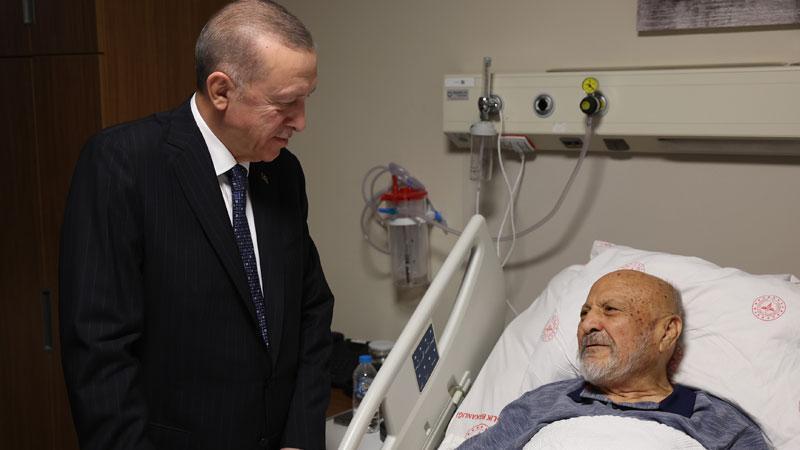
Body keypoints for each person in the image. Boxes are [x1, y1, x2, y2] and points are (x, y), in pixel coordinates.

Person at [58, 2, 333, 449]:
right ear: (221, 90)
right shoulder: (123, 165)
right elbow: (99, 352)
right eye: (286, 103)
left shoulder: (282, 173)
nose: (301, 121)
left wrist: (299, 438)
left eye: (307, 99)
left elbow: (311, 309)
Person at [457, 270, 768, 449]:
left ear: (666, 332)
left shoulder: (716, 419)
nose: (588, 324)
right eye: (584, 313)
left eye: (610, 310)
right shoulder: (544, 402)